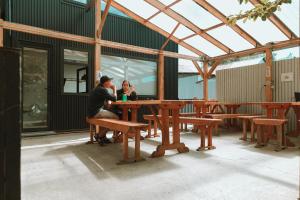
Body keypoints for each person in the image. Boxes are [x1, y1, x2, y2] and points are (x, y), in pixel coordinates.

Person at [87, 75, 119, 145]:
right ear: (106, 83)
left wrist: (108, 102)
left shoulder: (98, 88)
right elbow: (115, 99)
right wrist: (114, 89)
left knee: (105, 119)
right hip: (96, 112)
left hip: (92, 112)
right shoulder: (102, 89)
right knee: (116, 118)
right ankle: (99, 136)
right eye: (110, 81)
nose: (111, 83)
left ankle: (103, 137)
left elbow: (107, 101)